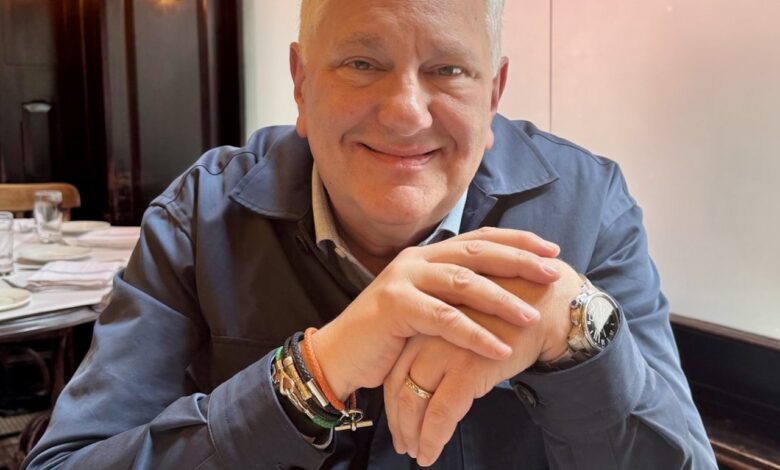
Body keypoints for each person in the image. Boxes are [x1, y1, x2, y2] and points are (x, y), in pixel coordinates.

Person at [23, 0, 717, 468]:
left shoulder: (589, 210)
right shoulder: (200, 219)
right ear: (301, 84)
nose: (406, 113)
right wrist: (311, 375)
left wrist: (574, 337)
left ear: (494, 92)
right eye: (362, 63)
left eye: (448, 69)